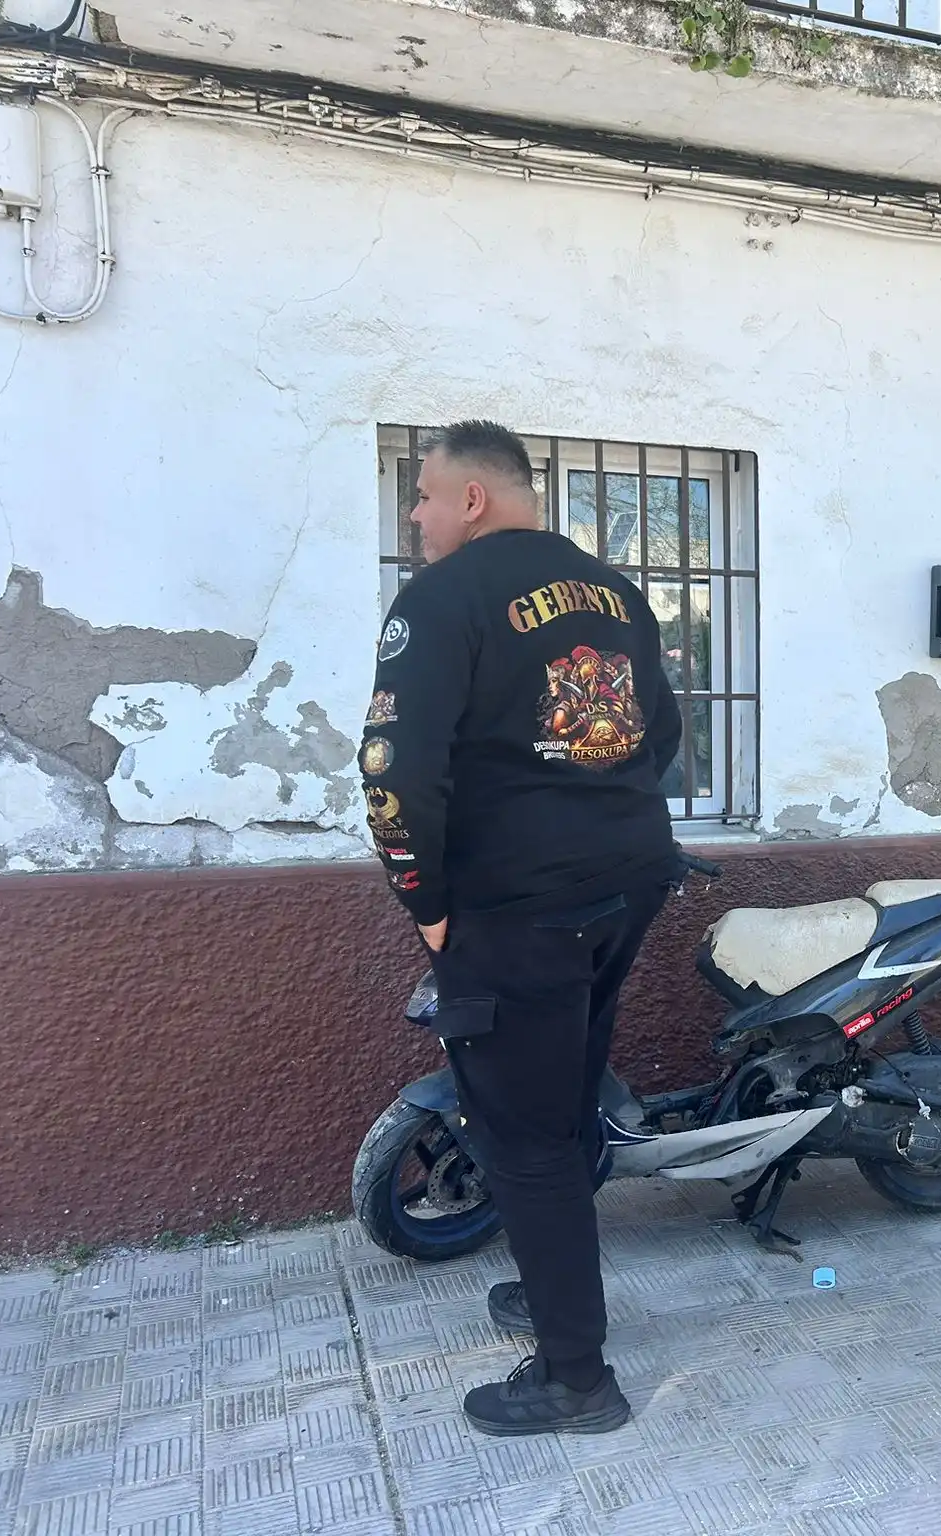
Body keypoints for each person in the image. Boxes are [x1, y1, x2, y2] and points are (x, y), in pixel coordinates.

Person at [360, 420, 683, 1436]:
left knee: (522, 1135)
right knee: (566, 1098)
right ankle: (556, 1295)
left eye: (422, 495)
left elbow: (395, 777)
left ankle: (575, 1379)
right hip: (627, 878)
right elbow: (663, 732)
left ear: (471, 498)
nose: (415, 516)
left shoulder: (442, 597)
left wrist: (427, 906)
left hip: (517, 904)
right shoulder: (617, 595)